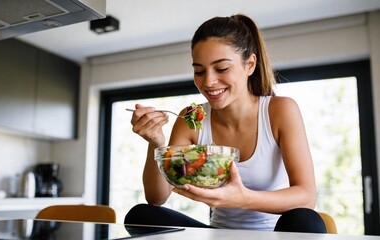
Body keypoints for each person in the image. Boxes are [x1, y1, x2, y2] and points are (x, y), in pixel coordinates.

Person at [125, 13, 326, 233]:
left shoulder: (280, 110)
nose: (208, 81)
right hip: (218, 233)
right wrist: (156, 141)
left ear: (249, 65)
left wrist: (242, 198)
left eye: (221, 69)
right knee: (140, 216)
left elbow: (306, 196)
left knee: (305, 220)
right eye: (199, 71)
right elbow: (157, 198)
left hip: (276, 234)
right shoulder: (192, 118)